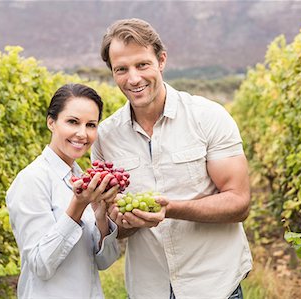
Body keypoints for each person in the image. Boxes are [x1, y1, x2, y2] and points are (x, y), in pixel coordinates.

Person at [91, 18, 253, 299]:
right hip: (148, 289)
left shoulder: (208, 117)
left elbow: (239, 202)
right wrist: (121, 223)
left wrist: (172, 208)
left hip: (213, 287)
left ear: (161, 60)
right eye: (121, 69)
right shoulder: (106, 136)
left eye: (142, 65)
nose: (133, 78)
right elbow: (111, 225)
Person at [6, 83, 120, 298]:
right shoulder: (31, 180)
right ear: (51, 122)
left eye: (91, 125)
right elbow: (41, 265)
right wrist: (77, 207)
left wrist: (101, 215)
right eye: (72, 122)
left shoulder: (83, 179)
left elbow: (105, 261)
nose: (82, 133)